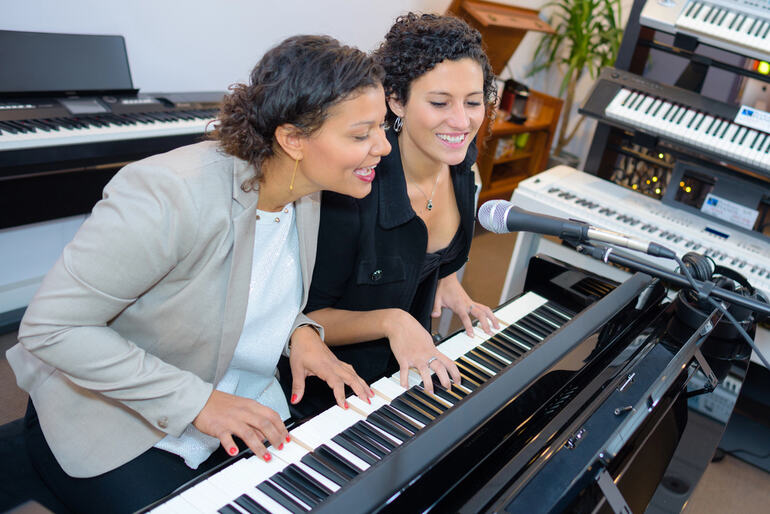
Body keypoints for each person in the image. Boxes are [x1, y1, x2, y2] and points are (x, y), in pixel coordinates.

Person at [3, 35, 389, 514]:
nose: (384, 146)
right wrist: (200, 404)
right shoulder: (169, 193)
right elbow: (51, 328)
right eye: (361, 134)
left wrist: (300, 332)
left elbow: (241, 287)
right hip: (114, 416)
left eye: (381, 127)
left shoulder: (303, 188)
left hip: (231, 390)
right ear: (292, 139)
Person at [298, 13, 500, 412]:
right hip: (336, 395)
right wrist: (392, 320)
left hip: (410, 374)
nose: (462, 121)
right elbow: (304, 319)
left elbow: (426, 256)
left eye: (474, 102)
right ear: (396, 100)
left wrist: (445, 280)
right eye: (440, 102)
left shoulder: (461, 161)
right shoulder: (352, 189)